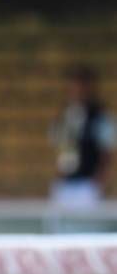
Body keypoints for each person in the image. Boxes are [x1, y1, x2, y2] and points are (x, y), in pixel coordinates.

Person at [49, 64, 116, 205]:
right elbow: (59, 149)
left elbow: (107, 153)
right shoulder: (65, 115)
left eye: (81, 86)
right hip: (65, 183)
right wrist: (58, 177)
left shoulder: (100, 117)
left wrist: (98, 182)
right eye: (73, 86)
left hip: (87, 185)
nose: (77, 91)